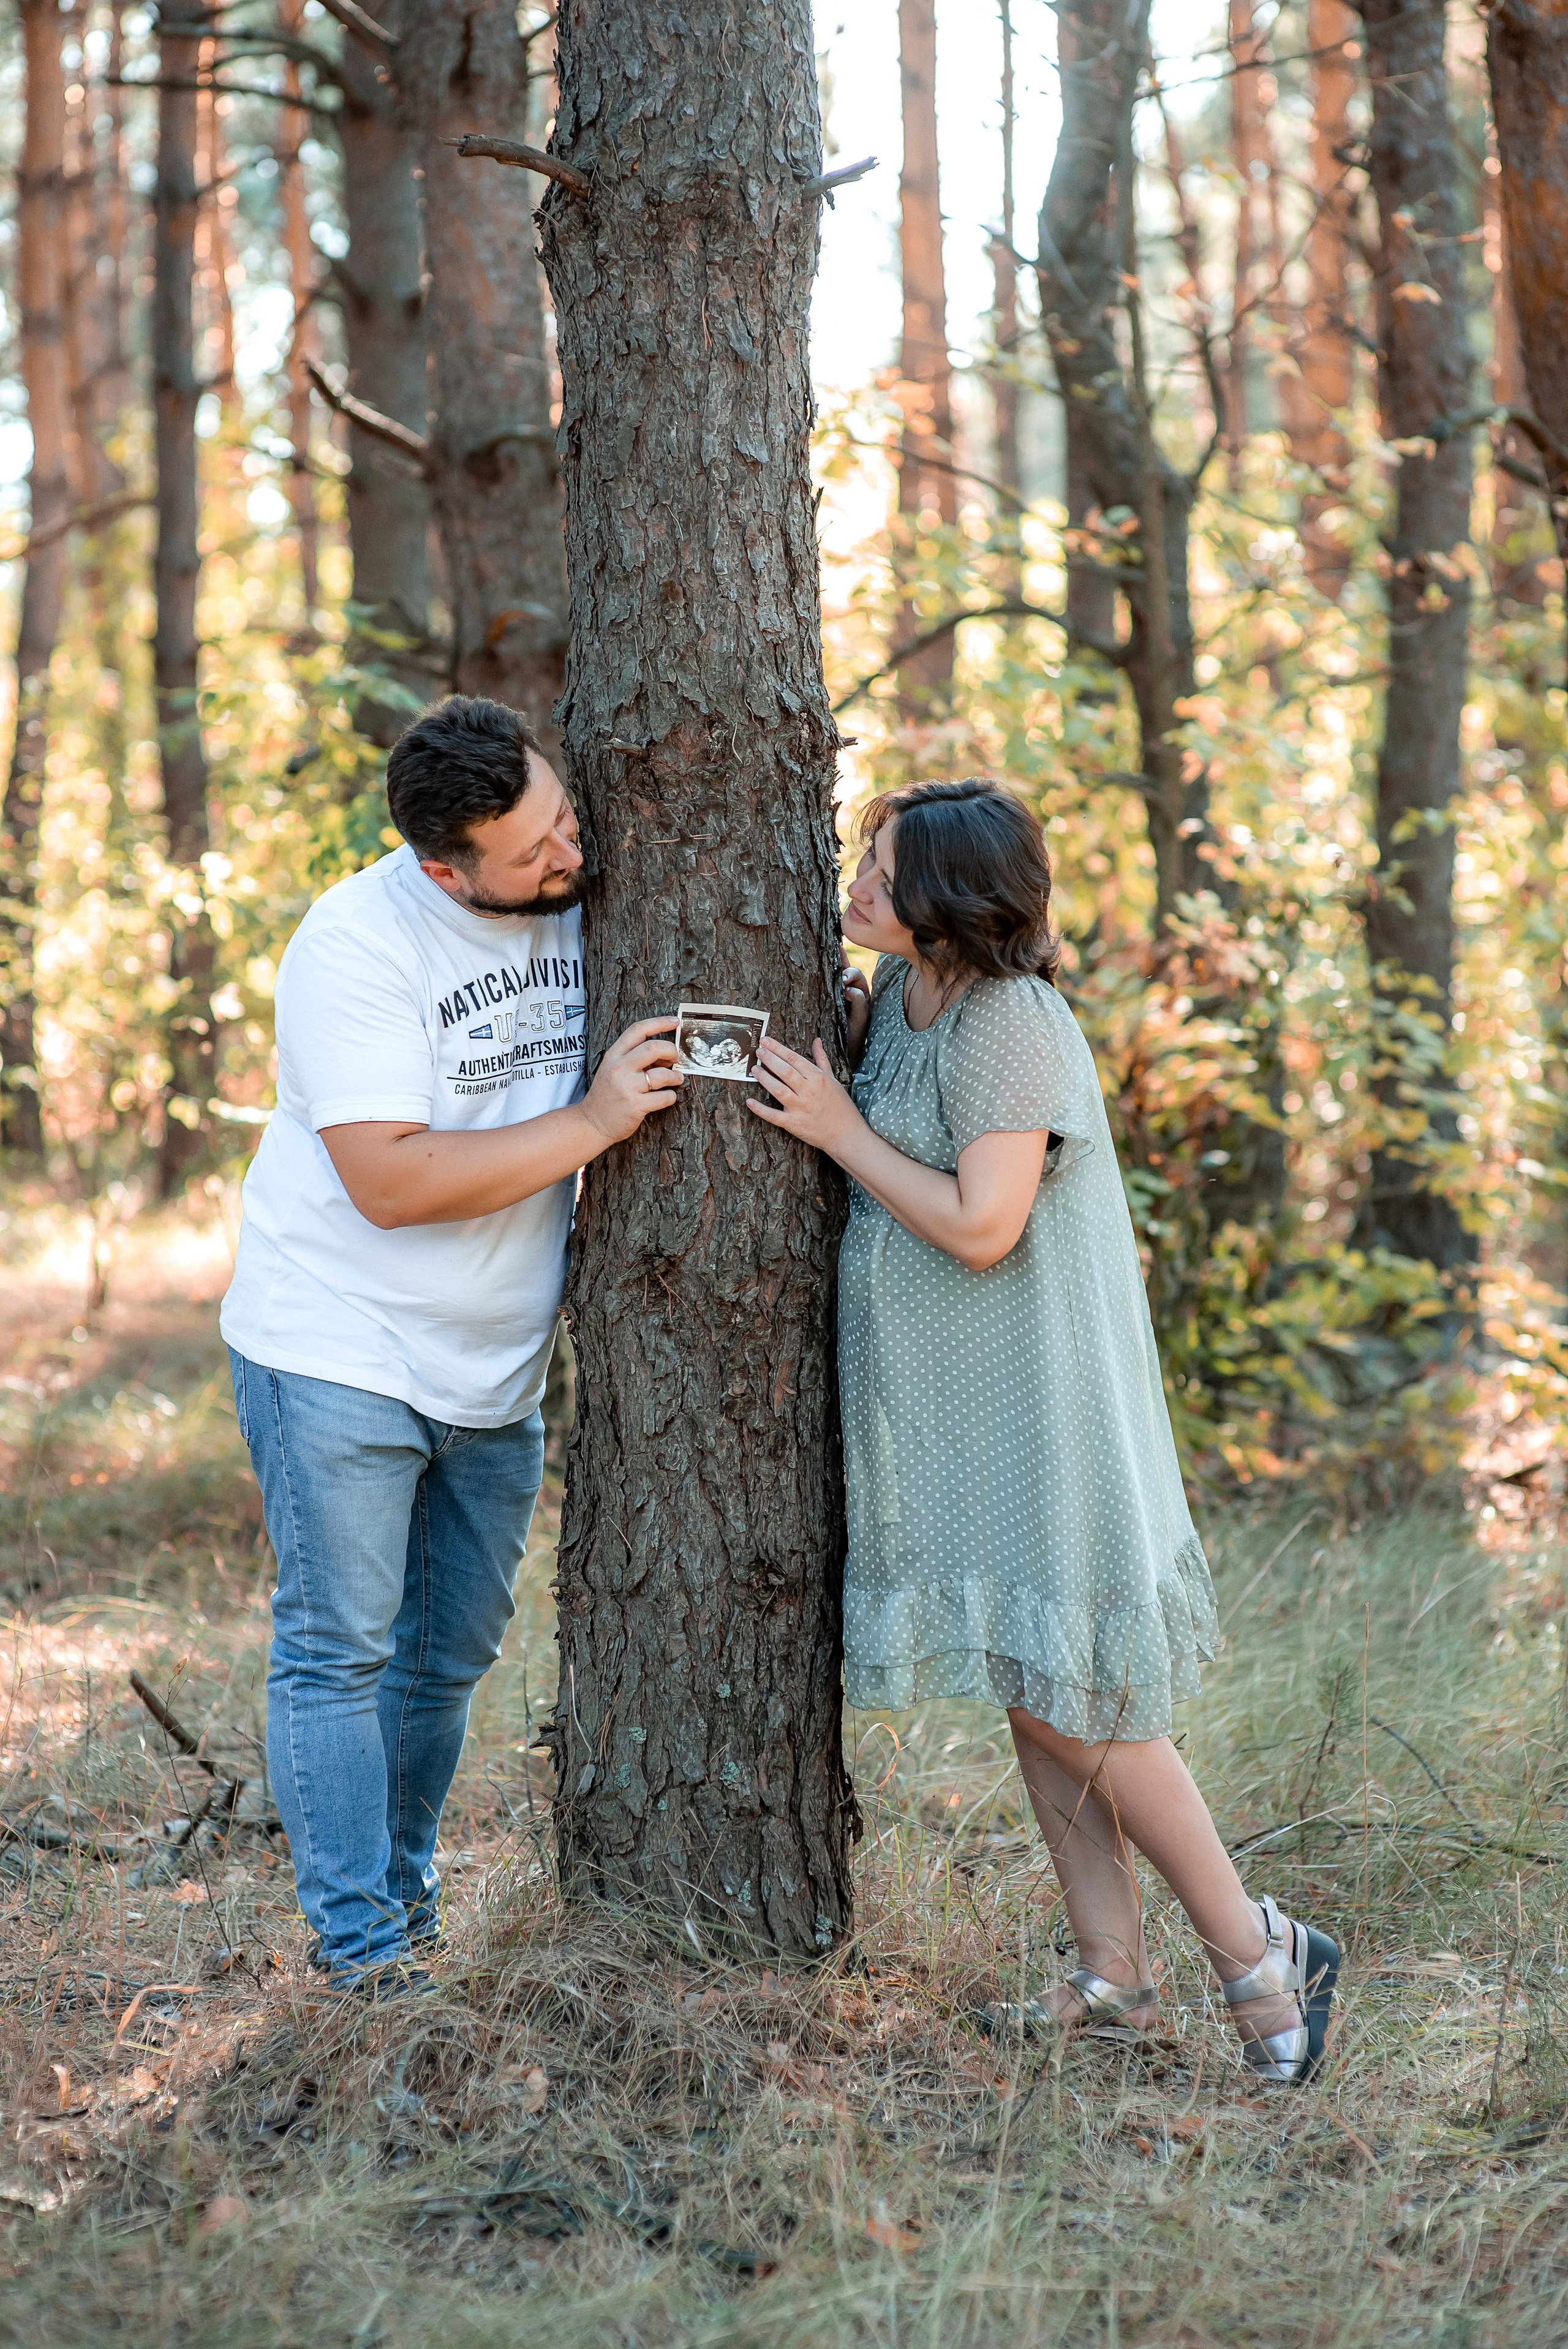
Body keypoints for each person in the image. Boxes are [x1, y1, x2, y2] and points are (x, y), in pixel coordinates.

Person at [750, 779, 1338, 2084]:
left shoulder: (1011, 1021)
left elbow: (980, 1222)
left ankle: (1259, 1951)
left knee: (1090, 1702)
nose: (851, 882)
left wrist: (838, 1130)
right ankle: (1108, 1974)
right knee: (1038, 1692)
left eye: (880, 867)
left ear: (950, 897)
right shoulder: (905, 1006)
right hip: (960, 1413)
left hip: (1040, 1405)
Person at [221, 695, 682, 1996]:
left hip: (494, 1361)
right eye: (532, 849)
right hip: (336, 1344)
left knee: (447, 1654)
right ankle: (363, 1959)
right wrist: (596, 1122)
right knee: (340, 1646)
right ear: (443, 866)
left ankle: (404, 1901)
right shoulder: (355, 944)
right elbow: (390, 1180)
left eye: (562, 820)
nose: (567, 858)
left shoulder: (586, 888)